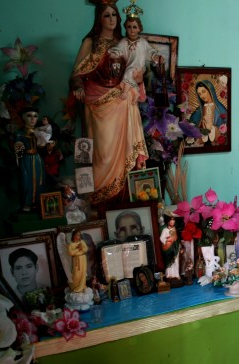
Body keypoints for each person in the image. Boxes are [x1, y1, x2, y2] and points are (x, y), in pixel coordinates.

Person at [69, 0, 148, 205]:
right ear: (99, 18)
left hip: (122, 101)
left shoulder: (124, 42)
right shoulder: (91, 43)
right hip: (98, 105)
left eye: (114, 15)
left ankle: (120, 201)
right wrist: (77, 86)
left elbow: (136, 68)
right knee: (101, 153)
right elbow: (76, 73)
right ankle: (98, 201)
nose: (111, 19)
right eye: (107, 15)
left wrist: (138, 78)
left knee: (123, 154)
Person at [14, 106, 45, 212]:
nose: (32, 119)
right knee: (26, 180)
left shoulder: (40, 132)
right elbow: (17, 148)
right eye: (29, 116)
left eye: (35, 116)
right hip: (25, 159)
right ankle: (26, 203)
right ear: (23, 117)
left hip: (37, 159)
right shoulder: (20, 133)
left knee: (39, 180)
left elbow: (42, 146)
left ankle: (37, 202)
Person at [188, 80, 228, 146]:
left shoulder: (220, 109)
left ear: (210, 90)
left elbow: (225, 125)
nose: (202, 96)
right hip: (202, 142)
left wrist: (213, 128)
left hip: (215, 143)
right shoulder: (199, 110)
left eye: (203, 91)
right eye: (199, 94)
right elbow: (192, 124)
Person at [160, 215, 180, 280]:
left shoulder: (175, 229)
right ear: (168, 222)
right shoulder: (165, 230)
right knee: (169, 261)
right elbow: (161, 238)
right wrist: (167, 241)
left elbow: (176, 238)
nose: (172, 223)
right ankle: (169, 275)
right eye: (171, 222)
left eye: (173, 222)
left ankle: (176, 274)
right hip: (168, 247)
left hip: (175, 247)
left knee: (176, 261)